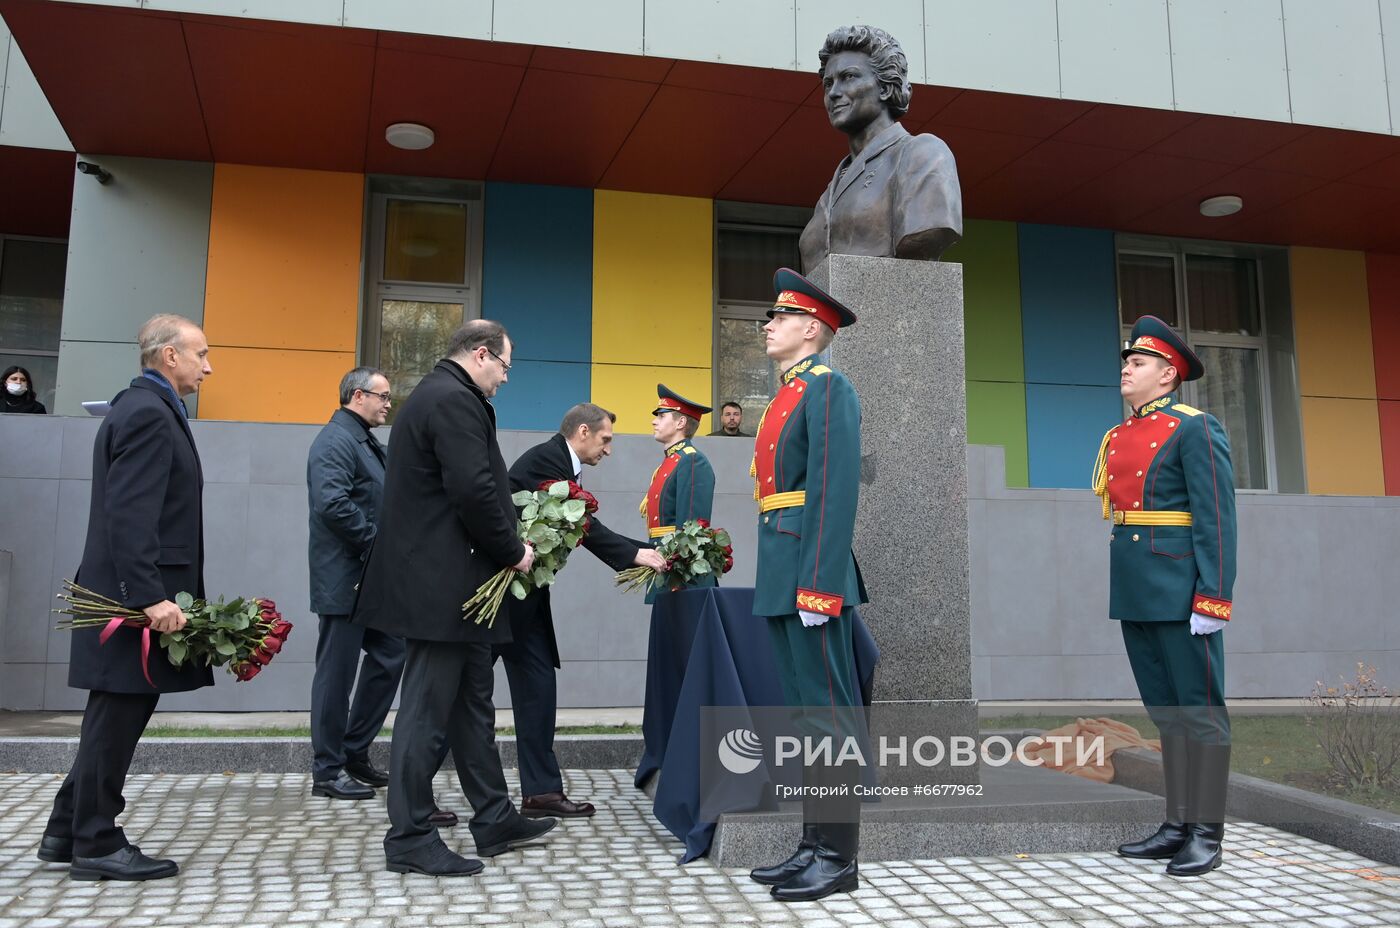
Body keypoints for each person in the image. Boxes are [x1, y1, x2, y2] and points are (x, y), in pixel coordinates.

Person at [353, 320, 556, 877]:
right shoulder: (452, 399)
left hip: (452, 586)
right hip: (440, 587)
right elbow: (473, 489)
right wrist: (513, 549)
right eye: (506, 367)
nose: (506, 379)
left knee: (472, 705)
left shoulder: (441, 395)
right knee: (425, 711)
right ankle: (410, 835)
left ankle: (493, 817)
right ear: (482, 354)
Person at [37, 314, 213, 881]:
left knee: (111, 716)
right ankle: (97, 842)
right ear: (169, 357)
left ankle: (67, 828)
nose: (207, 367)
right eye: (200, 355)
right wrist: (148, 597)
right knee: (117, 717)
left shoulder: (146, 409)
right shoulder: (146, 414)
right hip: (130, 603)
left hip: (128, 595)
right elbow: (130, 512)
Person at [1092, 314, 1236, 878]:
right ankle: (1177, 824)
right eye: (1127, 362)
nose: (1127, 369)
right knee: (1167, 714)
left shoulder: (1195, 428)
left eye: (1139, 362)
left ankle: (1206, 832)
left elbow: (1217, 519)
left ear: (1169, 375)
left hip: (1181, 590)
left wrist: (1213, 597)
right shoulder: (1120, 434)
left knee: (1200, 715)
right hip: (1136, 587)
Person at [746, 268, 867, 902]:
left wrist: (820, 585)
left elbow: (832, 490)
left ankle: (839, 857)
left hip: (809, 573)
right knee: (804, 717)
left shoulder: (827, 389)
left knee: (830, 717)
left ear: (813, 329)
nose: (768, 325)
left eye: (780, 317)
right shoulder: (786, 396)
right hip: (781, 566)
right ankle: (813, 843)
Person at [497, 403, 666, 817]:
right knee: (456, 691)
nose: (608, 450)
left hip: (526, 600)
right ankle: (416, 793)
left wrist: (638, 551)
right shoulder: (546, 460)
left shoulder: (564, 464)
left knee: (538, 689)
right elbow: (585, 527)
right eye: (606, 440)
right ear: (584, 431)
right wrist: (636, 554)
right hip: (499, 598)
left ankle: (541, 793)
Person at [306, 367, 405, 802]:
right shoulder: (336, 440)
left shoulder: (361, 440)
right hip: (345, 578)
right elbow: (332, 504)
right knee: (336, 673)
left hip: (369, 578)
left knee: (392, 653)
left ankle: (353, 751)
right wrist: (376, 544)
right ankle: (327, 770)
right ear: (358, 395)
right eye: (383, 396)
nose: (388, 404)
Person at [798, 24, 962, 272]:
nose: (833, 93)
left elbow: (926, 234)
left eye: (848, 77)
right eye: (828, 84)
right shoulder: (830, 191)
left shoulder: (923, 153)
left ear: (885, 87)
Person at [642, 385, 716, 605]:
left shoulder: (691, 460)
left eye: (662, 416)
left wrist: (678, 579)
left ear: (680, 423)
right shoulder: (672, 461)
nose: (654, 421)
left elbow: (691, 527)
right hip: (663, 562)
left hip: (680, 576)